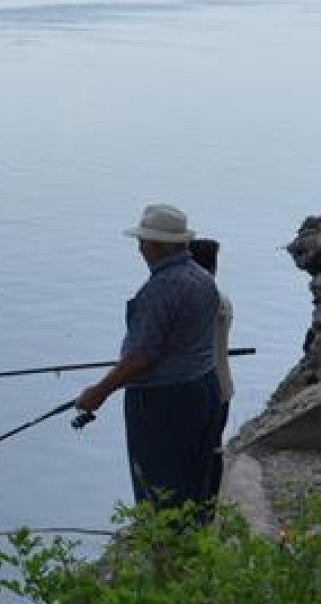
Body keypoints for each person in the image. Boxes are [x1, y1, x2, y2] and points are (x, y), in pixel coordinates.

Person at [74, 204, 223, 514]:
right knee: (194, 478)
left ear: (156, 246)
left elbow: (140, 358)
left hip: (163, 402)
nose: (139, 249)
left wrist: (98, 393)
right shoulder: (204, 279)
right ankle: (193, 544)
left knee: (159, 485)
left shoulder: (160, 290)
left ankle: (166, 553)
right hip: (204, 388)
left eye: (142, 242)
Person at [189, 237, 235, 499]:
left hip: (206, 388)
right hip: (222, 385)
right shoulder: (223, 300)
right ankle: (209, 506)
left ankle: (201, 505)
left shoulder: (204, 301)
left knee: (199, 451)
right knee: (213, 447)